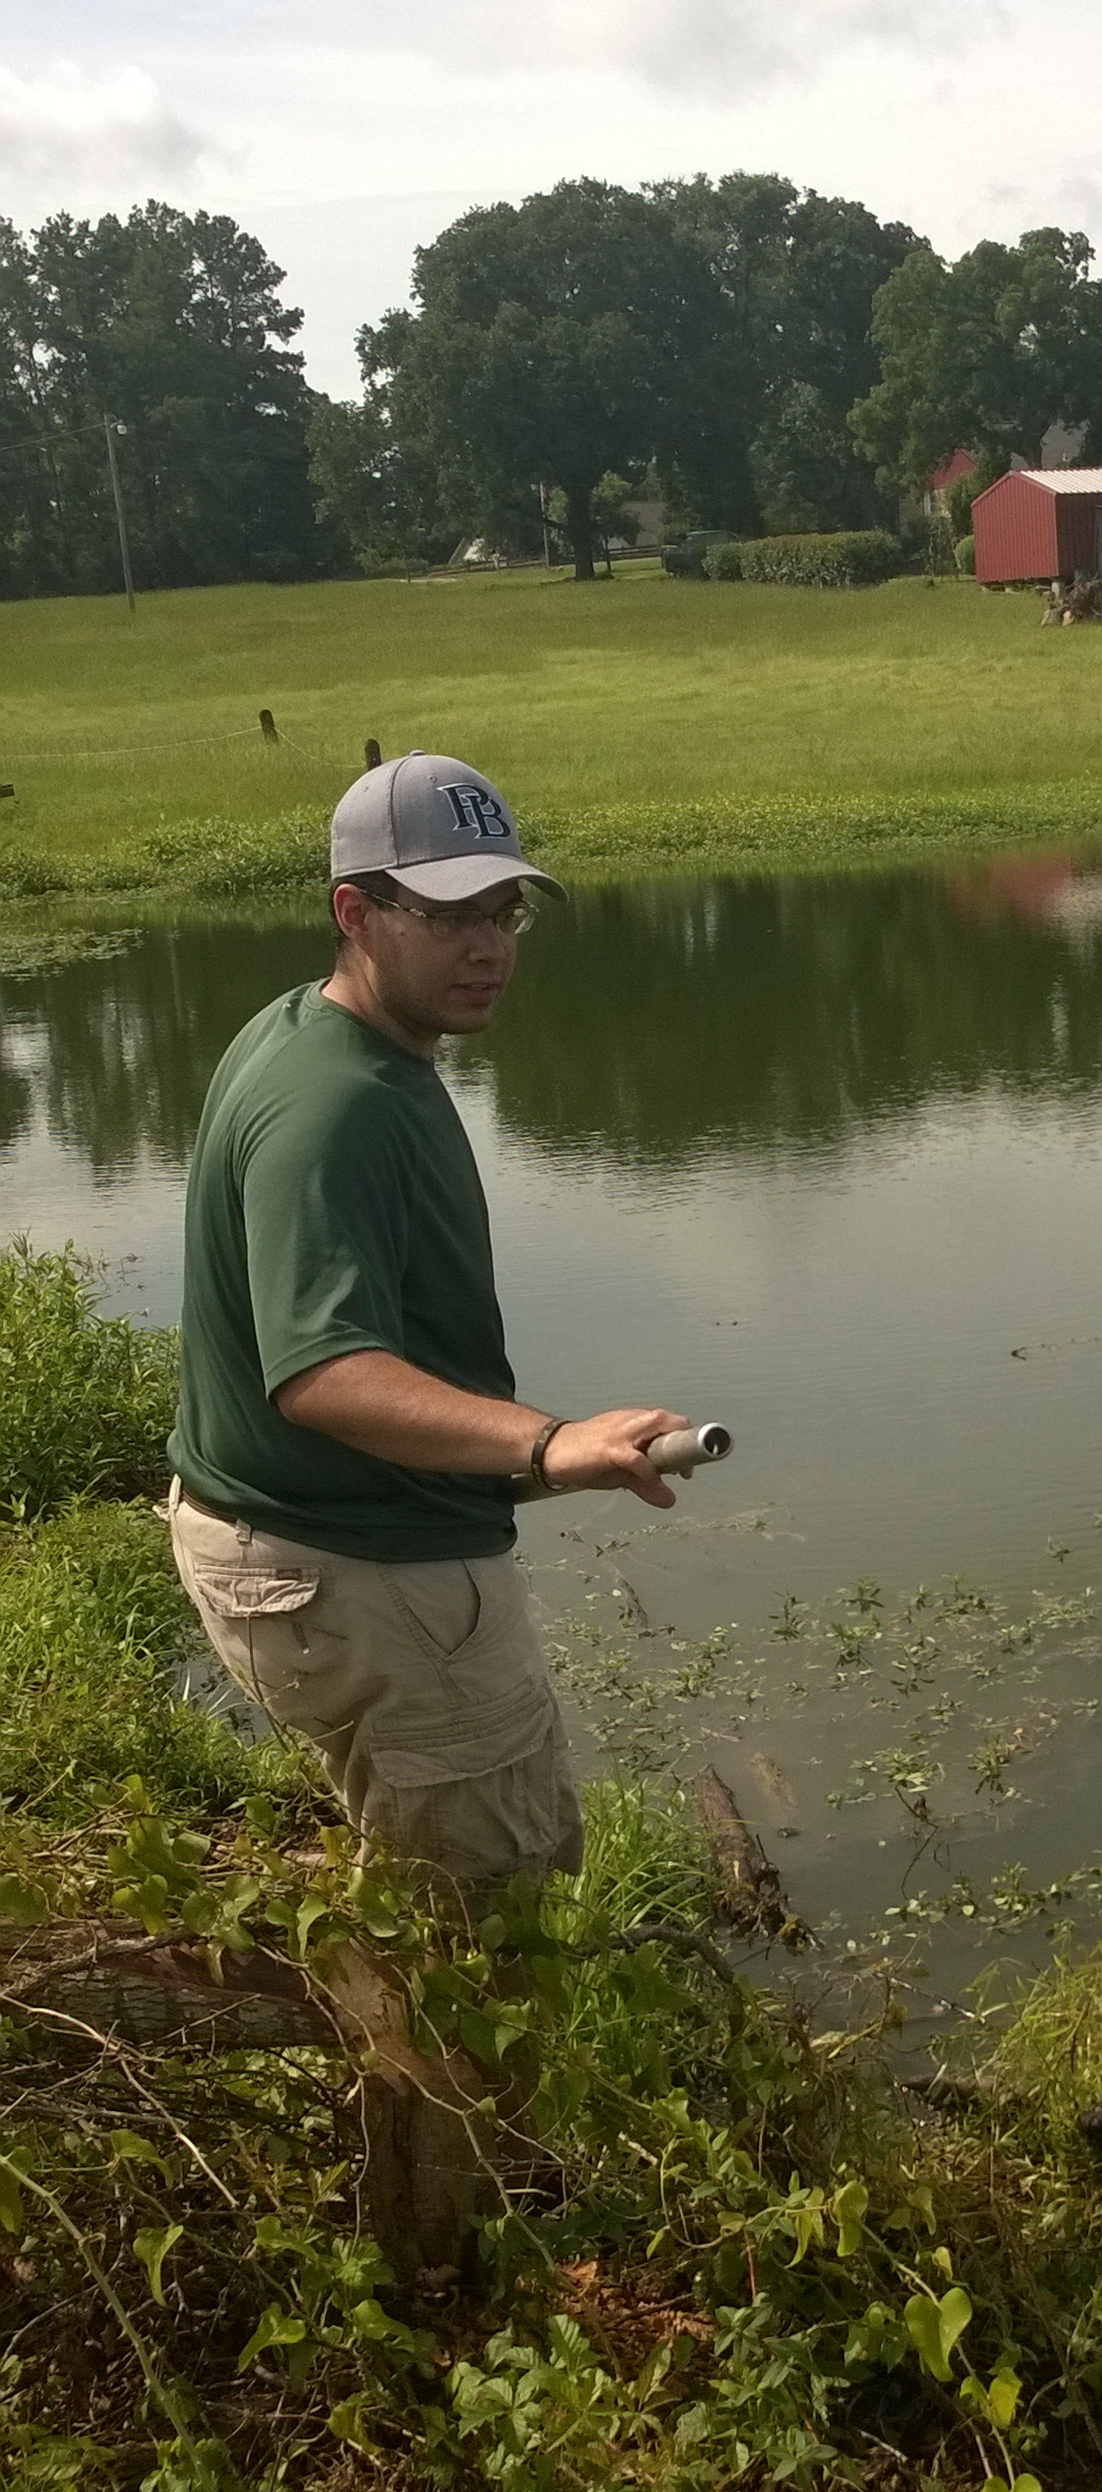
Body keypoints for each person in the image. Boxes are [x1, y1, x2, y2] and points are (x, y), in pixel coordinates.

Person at [167, 750, 687, 1894]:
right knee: (495, 1909)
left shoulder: (322, 1035)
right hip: (353, 1565)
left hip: (311, 1546)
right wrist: (546, 1447)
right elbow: (324, 1375)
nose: (489, 946)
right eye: (449, 913)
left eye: (504, 911)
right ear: (355, 912)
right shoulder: (335, 1106)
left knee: (439, 1885)